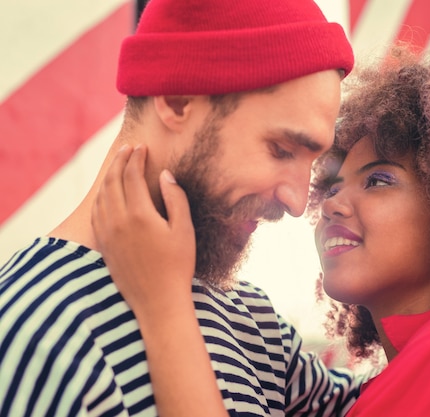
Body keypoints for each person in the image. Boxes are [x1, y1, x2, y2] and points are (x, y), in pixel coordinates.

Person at [91, 45, 430, 416]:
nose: (333, 201)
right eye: (332, 183)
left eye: (379, 180)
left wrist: (163, 307)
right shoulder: (413, 367)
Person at [0, 0, 368, 415]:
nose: (298, 203)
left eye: (313, 162)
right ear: (176, 100)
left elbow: (409, 395)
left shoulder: (256, 325)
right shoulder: (36, 333)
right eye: (281, 150)